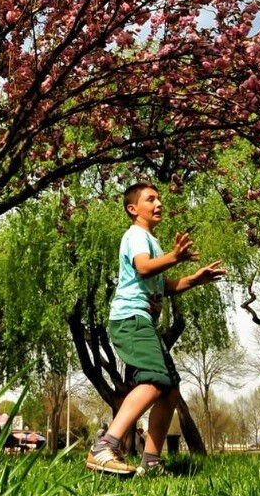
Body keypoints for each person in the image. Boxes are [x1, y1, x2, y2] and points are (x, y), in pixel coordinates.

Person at [86, 182, 226, 476]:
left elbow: (163, 286)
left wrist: (194, 279)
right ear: (133, 209)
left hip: (144, 321)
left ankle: (151, 461)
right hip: (130, 319)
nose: (159, 203)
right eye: (151, 199)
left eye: (159, 198)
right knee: (154, 381)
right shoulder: (136, 235)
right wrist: (175, 257)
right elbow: (144, 268)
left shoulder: (152, 241)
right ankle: (104, 446)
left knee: (170, 390)